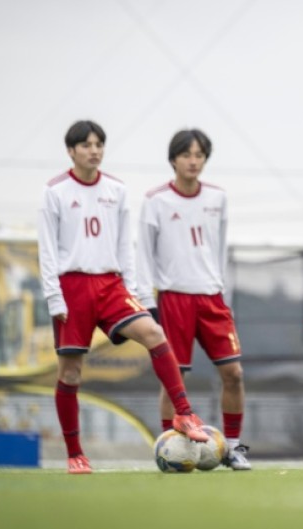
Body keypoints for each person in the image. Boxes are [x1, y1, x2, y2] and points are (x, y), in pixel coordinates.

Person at [38, 120, 208, 475]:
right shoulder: (55, 191)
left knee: (154, 334)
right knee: (70, 374)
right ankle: (75, 453)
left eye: (99, 143)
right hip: (71, 290)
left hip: (111, 286)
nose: (94, 150)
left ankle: (184, 412)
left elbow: (123, 246)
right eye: (85, 145)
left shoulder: (115, 189)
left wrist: (132, 290)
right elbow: (48, 250)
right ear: (71, 151)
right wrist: (54, 297)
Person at [136, 129, 250, 470]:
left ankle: (232, 447)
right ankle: (168, 446)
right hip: (173, 299)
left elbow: (220, 249)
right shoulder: (156, 200)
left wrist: (221, 290)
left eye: (199, 154)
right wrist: (147, 301)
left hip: (212, 299)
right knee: (176, 378)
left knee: (234, 373)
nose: (193, 160)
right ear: (173, 159)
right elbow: (144, 254)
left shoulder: (218, 197)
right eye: (186, 154)